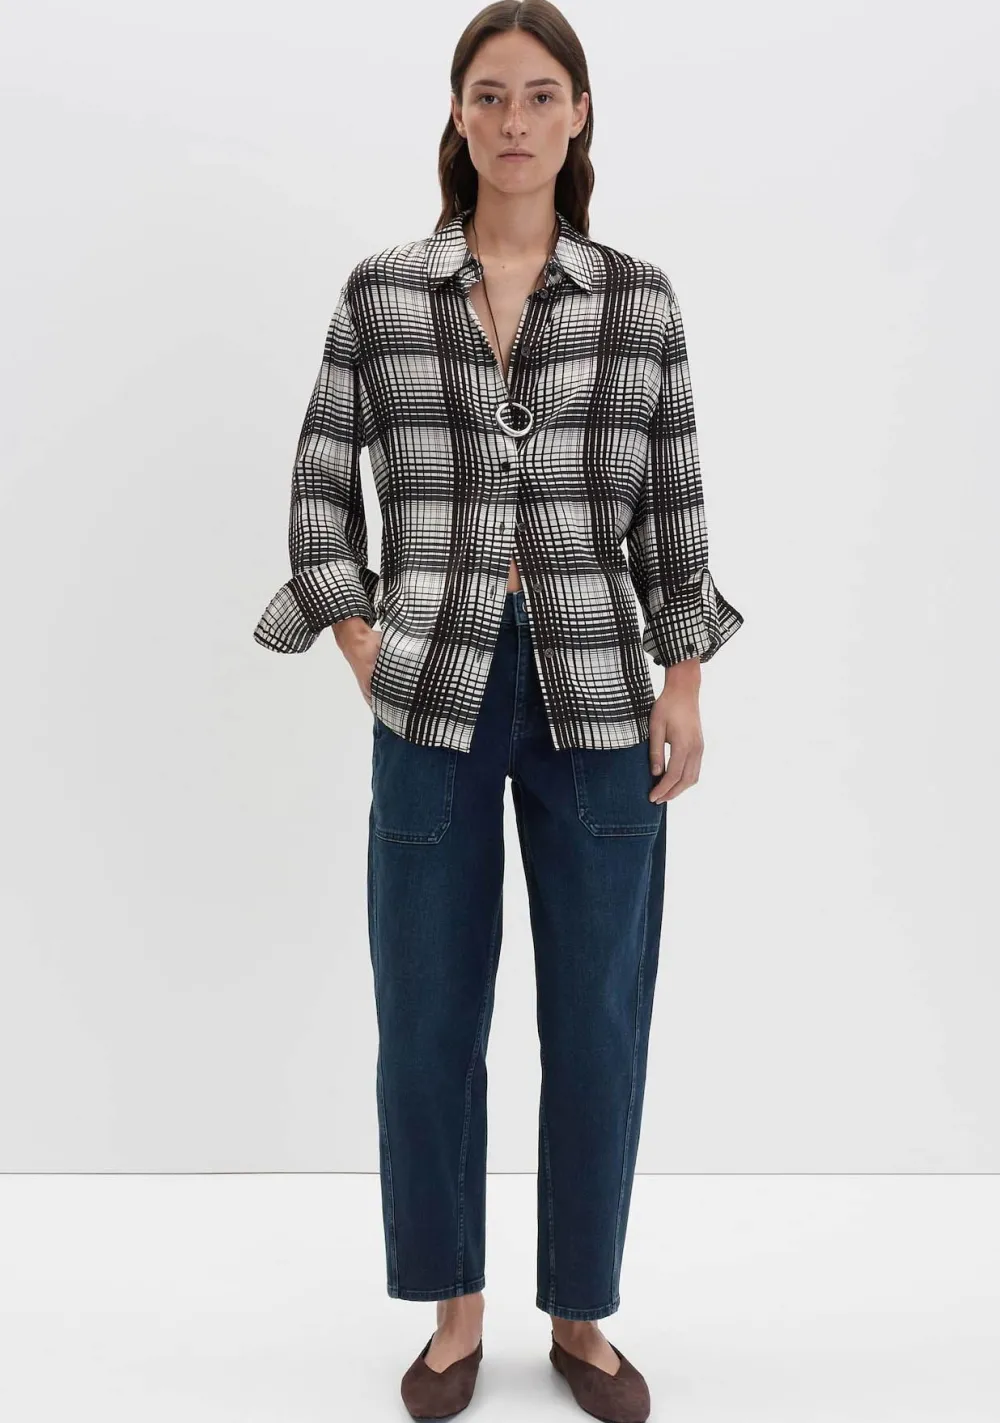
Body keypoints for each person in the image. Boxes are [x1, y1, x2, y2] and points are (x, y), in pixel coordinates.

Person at [254, 3, 744, 1418]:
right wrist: (366, 642)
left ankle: (581, 1312)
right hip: (433, 692)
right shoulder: (384, 293)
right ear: (457, 116)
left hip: (600, 691)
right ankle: (453, 1306)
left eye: (540, 95)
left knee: (598, 1016)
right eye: (489, 95)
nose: (515, 121)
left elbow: (674, 501)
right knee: (426, 1013)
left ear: (579, 114)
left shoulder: (637, 298)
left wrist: (685, 679)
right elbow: (320, 487)